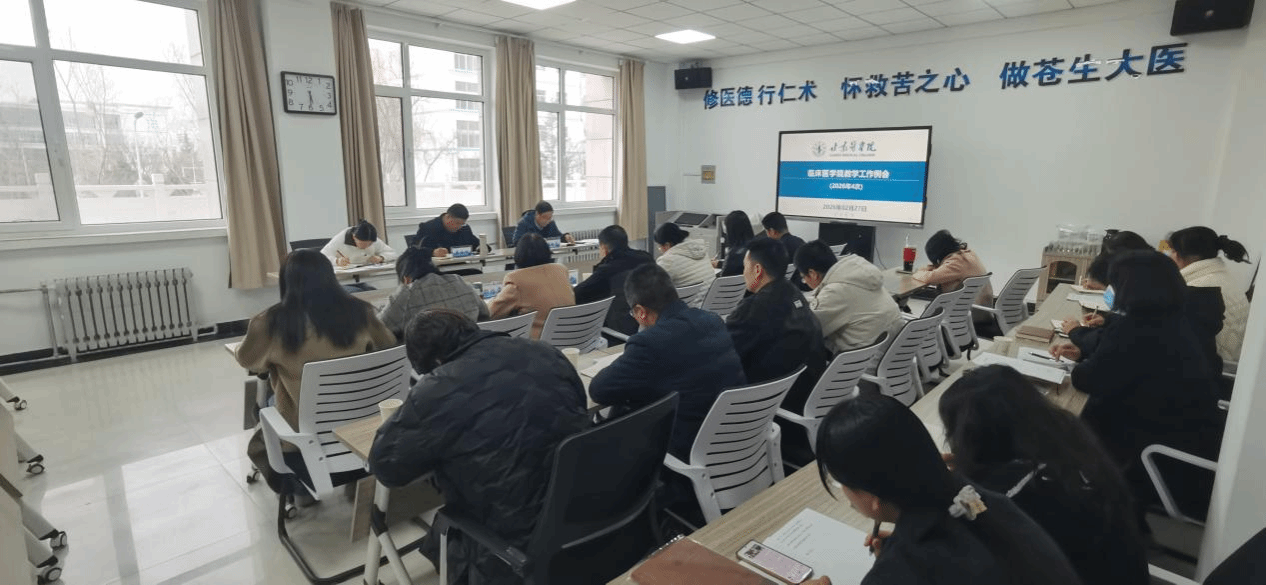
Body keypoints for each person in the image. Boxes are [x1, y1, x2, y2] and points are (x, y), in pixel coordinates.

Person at [368, 310, 588, 585]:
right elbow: (580, 406)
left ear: (436, 362)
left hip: (511, 545)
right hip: (581, 510)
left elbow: (386, 466)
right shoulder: (544, 351)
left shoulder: (437, 387)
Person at [805, 393, 1083, 585]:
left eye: (843, 484)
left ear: (873, 499)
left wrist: (898, 563)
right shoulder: (975, 497)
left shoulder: (900, 571)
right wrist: (903, 551)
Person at [938, 365, 1149, 585]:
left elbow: (962, 533)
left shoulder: (1011, 496)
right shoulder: (1069, 443)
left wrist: (952, 483)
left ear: (972, 437)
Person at [1050, 251, 1224, 516]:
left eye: (1115, 283)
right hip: (1190, 442)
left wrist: (1086, 361)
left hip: (1157, 458)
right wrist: (1086, 354)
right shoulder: (1174, 318)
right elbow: (1126, 365)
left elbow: (1088, 379)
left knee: (1059, 420)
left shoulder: (1136, 327)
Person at [235, 250, 396, 491]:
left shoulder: (268, 322)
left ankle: (293, 484)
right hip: (363, 426)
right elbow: (388, 345)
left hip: (306, 437)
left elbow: (247, 360)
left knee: (262, 401)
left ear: (286, 281)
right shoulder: (361, 312)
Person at [590, 264, 746, 460]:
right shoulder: (713, 321)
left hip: (684, 450)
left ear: (640, 310)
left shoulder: (650, 343)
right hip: (732, 437)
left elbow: (599, 390)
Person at [726, 237, 827, 414]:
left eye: (745, 267)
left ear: (757, 270)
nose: (743, 273)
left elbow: (724, 353)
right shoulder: (794, 292)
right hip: (805, 391)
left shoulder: (753, 307)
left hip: (769, 402)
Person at [795, 241, 902, 354]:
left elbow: (806, 331)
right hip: (893, 351)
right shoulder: (856, 275)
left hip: (865, 359)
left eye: (803, 278)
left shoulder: (834, 292)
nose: (805, 281)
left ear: (812, 274)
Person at [1168, 226, 1252, 362]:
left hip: (1219, 365)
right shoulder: (1223, 277)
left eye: (1172, 251)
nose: (1169, 256)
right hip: (1236, 359)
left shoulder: (1197, 288)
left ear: (1178, 255)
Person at [376, 247, 488, 337]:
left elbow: (378, 329)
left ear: (406, 278)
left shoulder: (406, 293)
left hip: (430, 355)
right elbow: (485, 312)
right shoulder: (458, 281)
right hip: (469, 347)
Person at [488, 233, 576, 339]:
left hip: (539, 342)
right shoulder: (561, 270)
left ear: (519, 254)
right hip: (572, 336)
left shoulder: (517, 279)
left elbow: (491, 313)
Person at [574, 225, 654, 338]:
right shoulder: (647, 258)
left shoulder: (608, 269)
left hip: (620, 329)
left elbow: (578, 294)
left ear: (604, 248)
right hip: (650, 322)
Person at [912, 229, 993, 306]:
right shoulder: (967, 254)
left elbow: (930, 278)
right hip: (978, 307)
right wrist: (933, 266)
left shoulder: (956, 262)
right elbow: (936, 271)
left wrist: (916, 273)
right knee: (930, 306)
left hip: (967, 310)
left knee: (929, 308)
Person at [653, 222, 716, 304]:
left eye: (659, 246)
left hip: (688, 308)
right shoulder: (701, 251)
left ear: (667, 245)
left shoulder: (668, 260)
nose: (659, 249)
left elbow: (652, 288)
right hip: (710, 305)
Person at [412, 203, 481, 257]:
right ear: (447, 217)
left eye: (462, 224)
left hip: (460, 266)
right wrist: (432, 252)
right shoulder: (428, 228)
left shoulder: (464, 229)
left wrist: (481, 248)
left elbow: (477, 245)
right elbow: (413, 251)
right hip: (434, 268)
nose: (459, 227)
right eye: (457, 223)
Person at [320, 220, 396, 267]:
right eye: (363, 244)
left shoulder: (372, 238)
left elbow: (393, 254)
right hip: (344, 279)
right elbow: (322, 257)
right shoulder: (340, 238)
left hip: (364, 277)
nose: (366, 247)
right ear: (354, 237)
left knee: (371, 288)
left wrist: (381, 257)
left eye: (369, 244)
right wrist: (336, 261)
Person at [761, 211, 806, 288]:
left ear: (772, 231)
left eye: (767, 232)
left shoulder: (777, 249)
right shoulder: (800, 241)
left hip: (789, 288)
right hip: (804, 286)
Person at [715, 210, 755, 277]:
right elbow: (739, 266)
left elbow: (723, 278)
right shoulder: (756, 247)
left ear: (731, 230)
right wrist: (719, 264)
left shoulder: (734, 253)